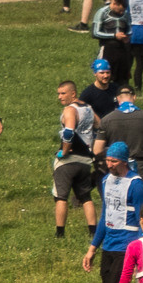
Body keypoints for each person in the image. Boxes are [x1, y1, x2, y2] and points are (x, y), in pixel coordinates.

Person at [84, 143, 143, 283]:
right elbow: (105, 216)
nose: (109, 164)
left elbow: (141, 221)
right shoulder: (106, 180)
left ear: (123, 161)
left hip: (126, 246)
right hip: (108, 246)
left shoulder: (136, 184)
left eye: (113, 161)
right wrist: (92, 249)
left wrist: (139, 255)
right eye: (107, 160)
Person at [51, 76, 100, 244]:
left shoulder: (70, 110)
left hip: (69, 160)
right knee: (85, 197)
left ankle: (60, 234)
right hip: (85, 160)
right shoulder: (88, 108)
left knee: (61, 197)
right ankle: (93, 231)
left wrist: (63, 152)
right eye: (58, 94)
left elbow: (69, 133)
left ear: (73, 93)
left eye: (63, 93)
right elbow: (100, 125)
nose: (60, 97)